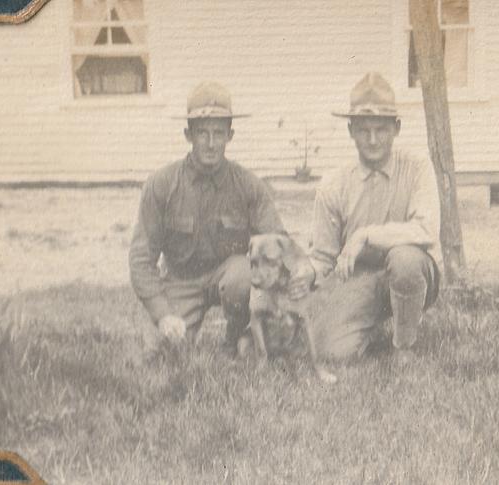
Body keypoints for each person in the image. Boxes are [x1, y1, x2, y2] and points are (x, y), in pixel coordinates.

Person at [129, 81, 289, 356]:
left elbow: (279, 243)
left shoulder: (248, 184)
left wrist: (274, 292)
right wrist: (163, 314)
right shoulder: (162, 184)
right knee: (157, 353)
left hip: (232, 277)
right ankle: (178, 328)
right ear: (188, 135)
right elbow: (141, 259)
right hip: (180, 281)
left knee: (241, 275)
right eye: (203, 133)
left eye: (219, 133)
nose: (212, 143)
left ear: (231, 135)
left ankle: (237, 335)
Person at [295, 72, 443, 362]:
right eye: (364, 130)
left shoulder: (417, 168)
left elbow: (426, 230)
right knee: (330, 352)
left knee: (405, 259)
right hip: (360, 281)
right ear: (351, 130)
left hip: (414, 275)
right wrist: (306, 273)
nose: (373, 140)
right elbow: (323, 256)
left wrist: (365, 235)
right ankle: (365, 323)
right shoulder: (333, 185)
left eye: (381, 129)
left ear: (396, 128)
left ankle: (404, 346)